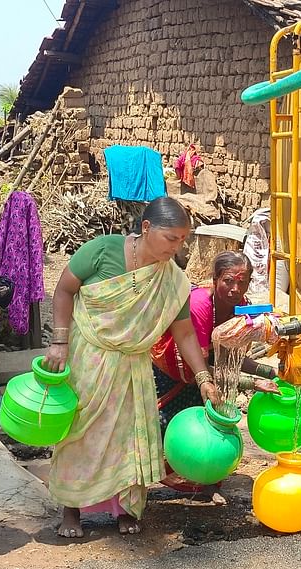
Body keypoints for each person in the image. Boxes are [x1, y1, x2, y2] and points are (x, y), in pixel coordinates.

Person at [45, 196, 220, 538]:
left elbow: (183, 332)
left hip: (133, 367)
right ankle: (71, 508)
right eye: (171, 238)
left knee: (131, 438)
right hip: (90, 358)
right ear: (146, 228)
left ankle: (126, 508)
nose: (177, 246)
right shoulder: (102, 250)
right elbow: (64, 291)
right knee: (80, 433)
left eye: (182, 240)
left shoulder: (173, 280)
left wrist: (204, 379)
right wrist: (59, 341)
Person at [151, 251, 279, 501]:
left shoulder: (243, 311)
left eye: (241, 282)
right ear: (215, 278)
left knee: (214, 427)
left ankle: (205, 483)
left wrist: (270, 372)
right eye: (228, 281)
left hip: (208, 374)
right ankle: (136, 489)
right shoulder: (199, 304)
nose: (234, 289)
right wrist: (253, 383)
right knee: (159, 425)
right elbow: (197, 362)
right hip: (177, 368)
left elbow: (233, 359)